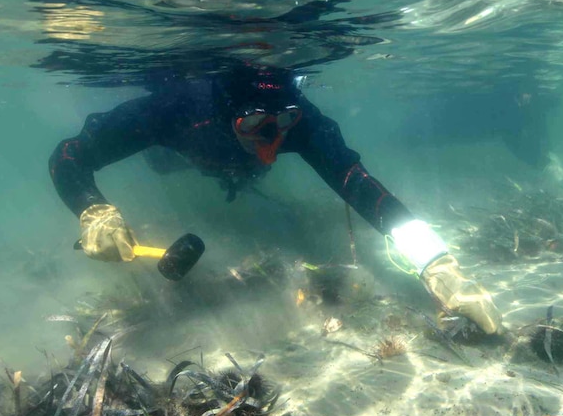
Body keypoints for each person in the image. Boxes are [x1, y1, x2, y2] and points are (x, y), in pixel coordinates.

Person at [49, 65, 502, 334]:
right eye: (253, 123)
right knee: (164, 165)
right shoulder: (172, 111)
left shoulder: (303, 124)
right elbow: (69, 156)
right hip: (186, 153)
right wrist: (94, 211)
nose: (272, 136)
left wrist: (435, 261)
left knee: (266, 158)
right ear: (227, 114)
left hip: (230, 160)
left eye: (284, 118)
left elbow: (357, 181)